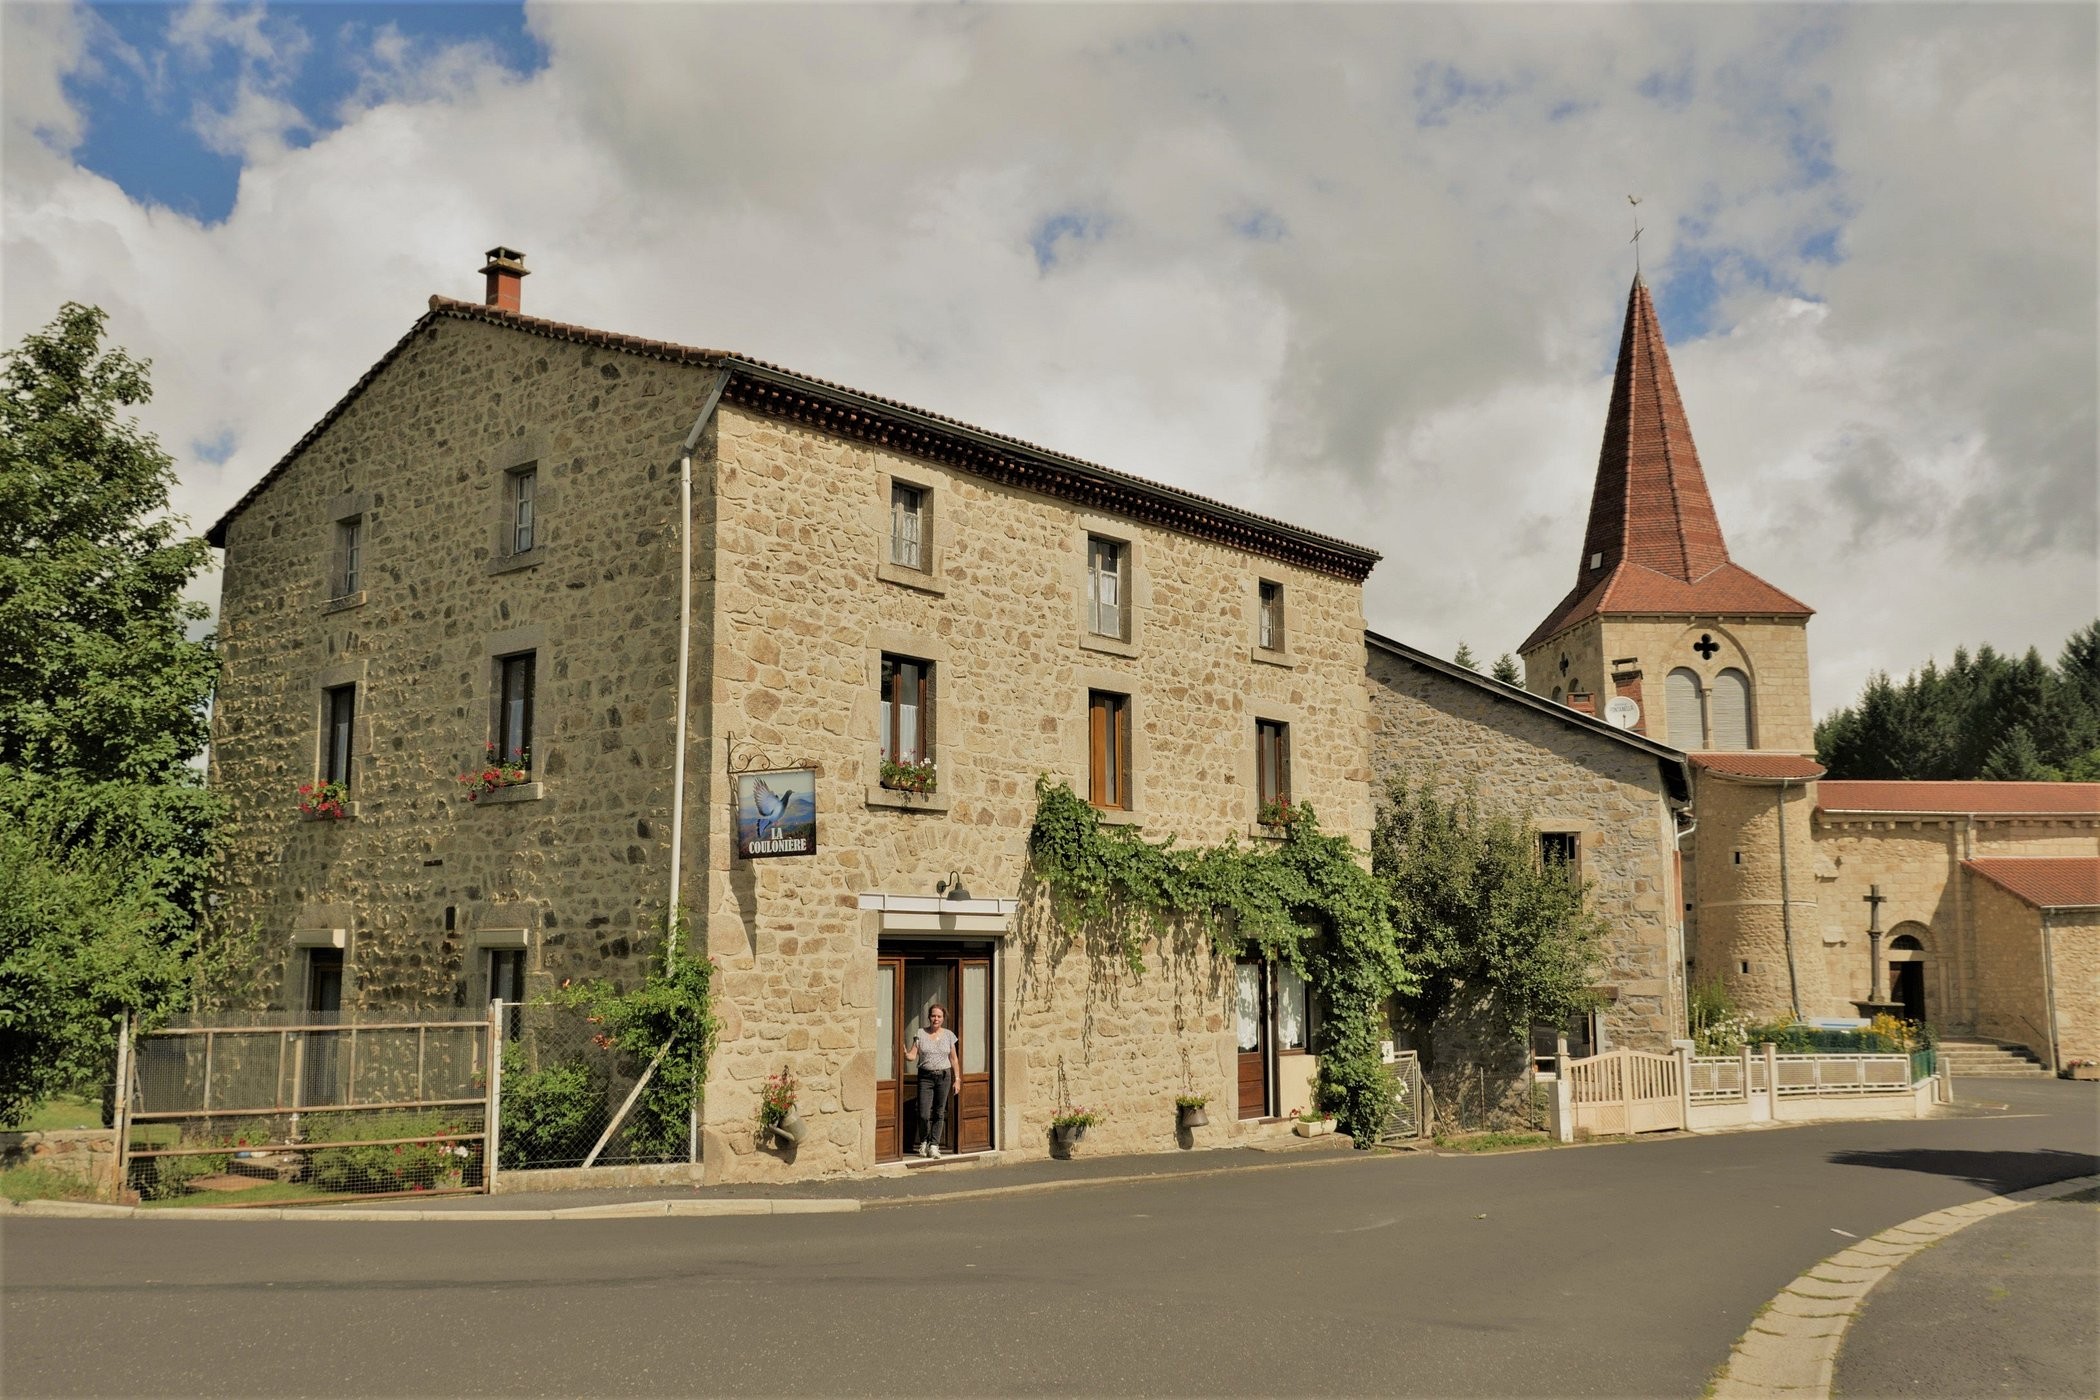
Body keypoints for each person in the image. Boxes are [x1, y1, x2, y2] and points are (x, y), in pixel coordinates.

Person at [904, 1003, 959, 1158]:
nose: (936, 1019)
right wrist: (904, 1053)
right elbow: (912, 1056)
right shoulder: (920, 1033)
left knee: (939, 1112)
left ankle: (934, 1145)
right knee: (923, 1113)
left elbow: (954, 1059)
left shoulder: (949, 1035)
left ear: (943, 1018)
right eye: (933, 1016)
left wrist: (958, 1079)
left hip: (944, 1076)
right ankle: (924, 1141)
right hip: (925, 1077)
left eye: (939, 1016)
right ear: (929, 1017)